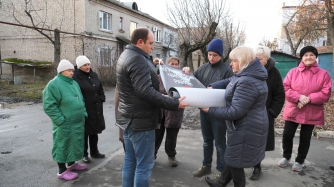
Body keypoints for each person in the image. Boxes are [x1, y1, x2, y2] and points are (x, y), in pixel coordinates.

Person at [115, 27, 188, 187]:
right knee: (144, 166)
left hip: (129, 120)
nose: (153, 47)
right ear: (140, 42)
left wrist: (163, 96)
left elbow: (138, 90)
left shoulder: (126, 55)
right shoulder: (137, 59)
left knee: (130, 162)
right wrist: (174, 103)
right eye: (151, 43)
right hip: (141, 122)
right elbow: (145, 91)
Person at [202, 46, 269, 187]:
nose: (231, 64)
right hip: (247, 125)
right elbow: (230, 81)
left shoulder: (247, 81)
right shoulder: (247, 74)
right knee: (234, 157)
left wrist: (210, 110)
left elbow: (235, 112)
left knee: (235, 161)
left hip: (245, 127)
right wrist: (212, 86)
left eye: (234, 61)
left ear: (243, 61)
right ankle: (221, 183)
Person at [277, 46, 332, 172]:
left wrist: (309, 98)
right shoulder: (293, 72)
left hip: (312, 110)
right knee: (287, 135)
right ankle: (286, 156)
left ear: (315, 57)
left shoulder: (323, 74)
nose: (308, 57)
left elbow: (326, 92)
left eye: (311, 55)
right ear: (301, 57)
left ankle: (300, 161)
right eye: (306, 55)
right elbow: (285, 88)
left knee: (305, 137)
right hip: (294, 108)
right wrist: (299, 97)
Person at [191, 39, 233, 184]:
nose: (211, 58)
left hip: (219, 113)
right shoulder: (202, 69)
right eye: (209, 54)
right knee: (207, 141)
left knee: (220, 144)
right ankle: (206, 166)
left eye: (215, 55)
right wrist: (186, 73)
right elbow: (191, 82)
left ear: (220, 55)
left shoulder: (227, 71)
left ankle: (221, 171)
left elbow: (231, 91)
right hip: (204, 111)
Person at [42, 59, 87, 181]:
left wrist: (83, 112)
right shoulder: (53, 84)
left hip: (76, 122)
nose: (72, 72)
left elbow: (80, 99)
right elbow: (49, 105)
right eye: (69, 70)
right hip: (64, 123)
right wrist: (60, 120)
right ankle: (61, 170)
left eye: (72, 70)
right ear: (61, 71)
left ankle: (71, 164)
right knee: (62, 145)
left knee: (74, 143)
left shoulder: (73, 83)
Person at [248, 46, 285, 180]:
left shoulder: (274, 73)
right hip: (248, 114)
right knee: (247, 140)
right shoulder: (249, 71)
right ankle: (245, 163)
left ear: (267, 59)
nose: (256, 61)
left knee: (260, 142)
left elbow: (279, 96)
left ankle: (257, 167)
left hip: (264, 115)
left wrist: (271, 113)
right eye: (254, 59)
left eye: (259, 59)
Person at [72, 55, 106, 163]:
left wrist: (101, 98)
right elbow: (75, 94)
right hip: (84, 109)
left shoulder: (93, 74)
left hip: (96, 108)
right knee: (84, 132)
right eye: (84, 65)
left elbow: (100, 87)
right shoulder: (75, 77)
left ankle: (94, 152)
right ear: (79, 66)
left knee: (94, 131)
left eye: (88, 64)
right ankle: (84, 154)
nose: (87, 67)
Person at [155, 57, 185, 167]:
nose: (174, 66)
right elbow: (153, 92)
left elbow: (185, 93)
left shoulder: (181, 79)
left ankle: (171, 155)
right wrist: (161, 97)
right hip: (160, 112)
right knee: (157, 135)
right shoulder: (159, 78)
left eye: (176, 64)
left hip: (174, 112)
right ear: (166, 66)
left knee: (172, 136)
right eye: (172, 64)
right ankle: (152, 154)